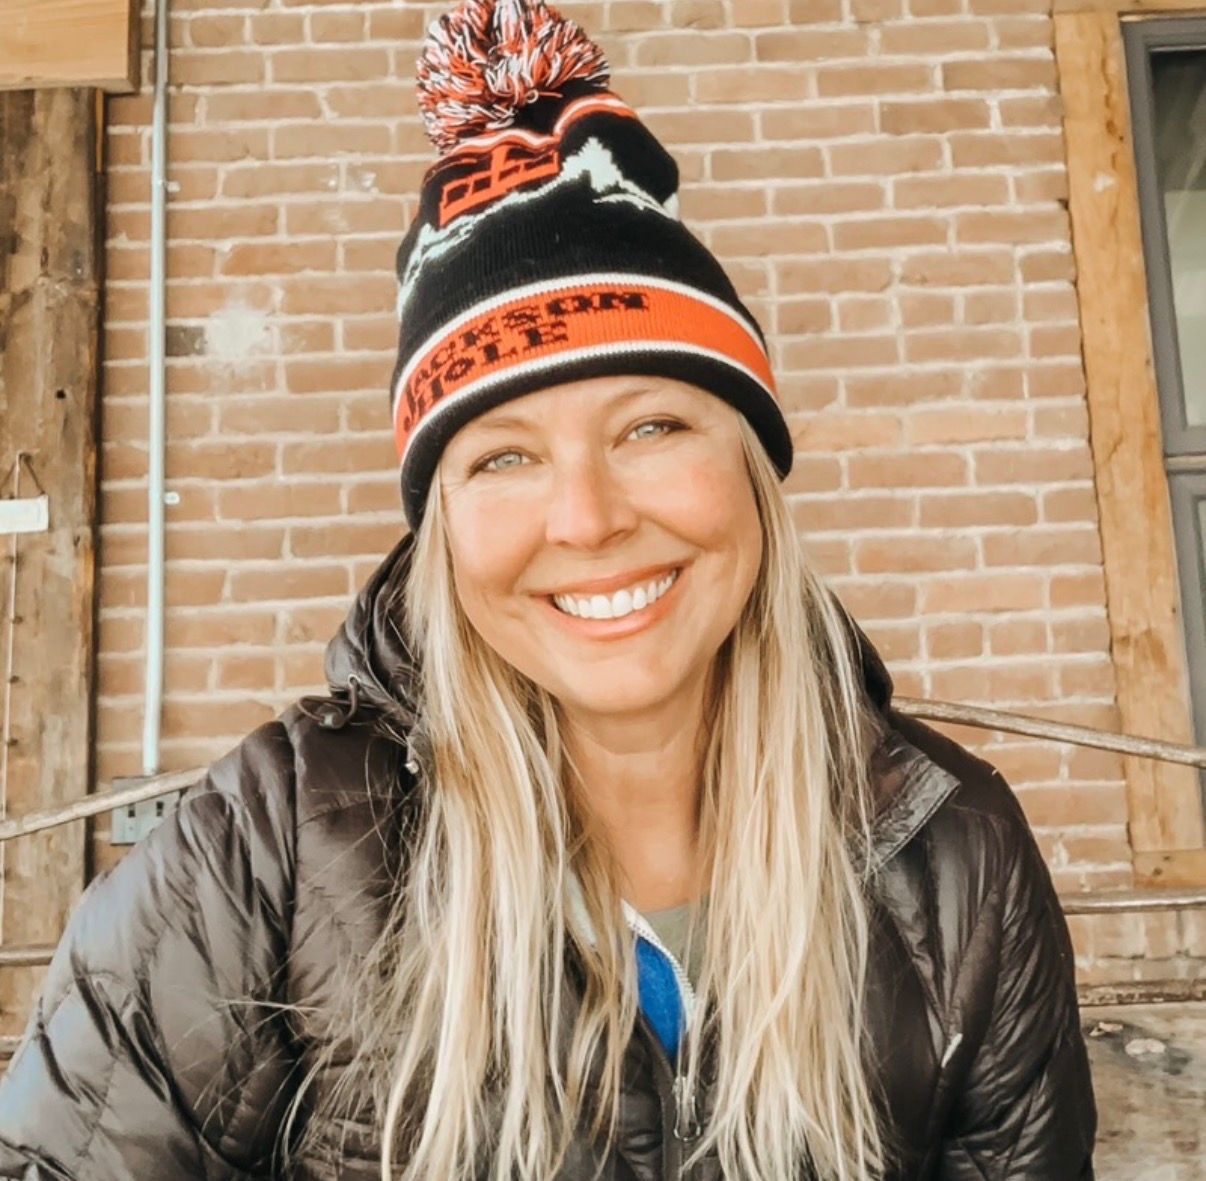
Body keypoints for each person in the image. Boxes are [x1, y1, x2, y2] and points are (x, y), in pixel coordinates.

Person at [0, 2, 1096, 1178]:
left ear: (752, 469)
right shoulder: (270, 851)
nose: (586, 517)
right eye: (503, 457)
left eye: (652, 426)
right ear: (442, 528)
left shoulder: (958, 861)